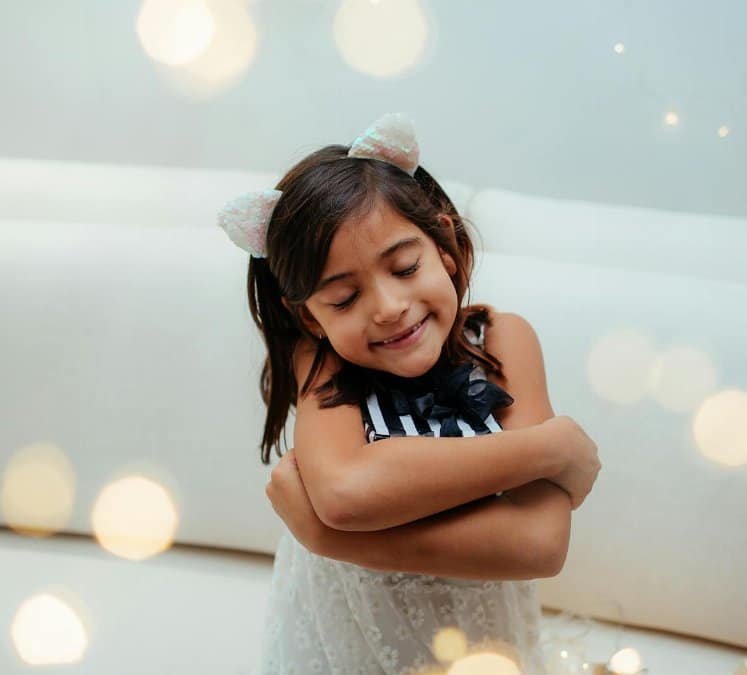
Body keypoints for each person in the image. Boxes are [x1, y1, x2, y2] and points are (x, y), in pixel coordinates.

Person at [218, 113, 601, 674]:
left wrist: (332, 539)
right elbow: (349, 493)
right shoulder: (321, 363)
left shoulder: (503, 341)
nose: (387, 307)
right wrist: (551, 449)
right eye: (344, 299)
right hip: (347, 648)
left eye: (404, 267)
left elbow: (541, 543)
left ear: (444, 245)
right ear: (310, 318)